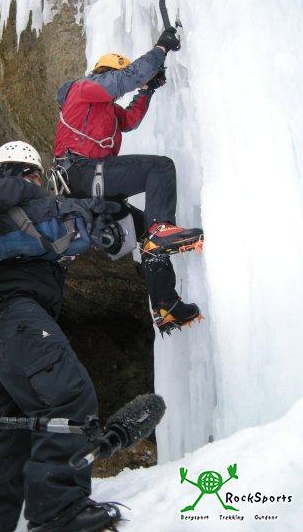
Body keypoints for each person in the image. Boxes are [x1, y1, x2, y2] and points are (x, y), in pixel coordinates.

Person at [0, 141, 121, 532]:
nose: (37, 184)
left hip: (9, 327)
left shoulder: (17, 217)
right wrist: (38, 190)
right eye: (33, 176)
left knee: (10, 436)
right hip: (15, 316)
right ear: (16, 173)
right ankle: (58, 511)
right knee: (67, 394)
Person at [53, 26, 203, 333]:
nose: (117, 90)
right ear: (104, 73)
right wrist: (160, 49)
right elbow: (127, 78)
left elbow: (130, 120)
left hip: (89, 183)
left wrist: (147, 90)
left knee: (145, 230)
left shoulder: (105, 109)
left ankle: (166, 305)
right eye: (114, 77)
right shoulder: (84, 88)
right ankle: (162, 230)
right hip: (81, 172)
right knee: (159, 168)